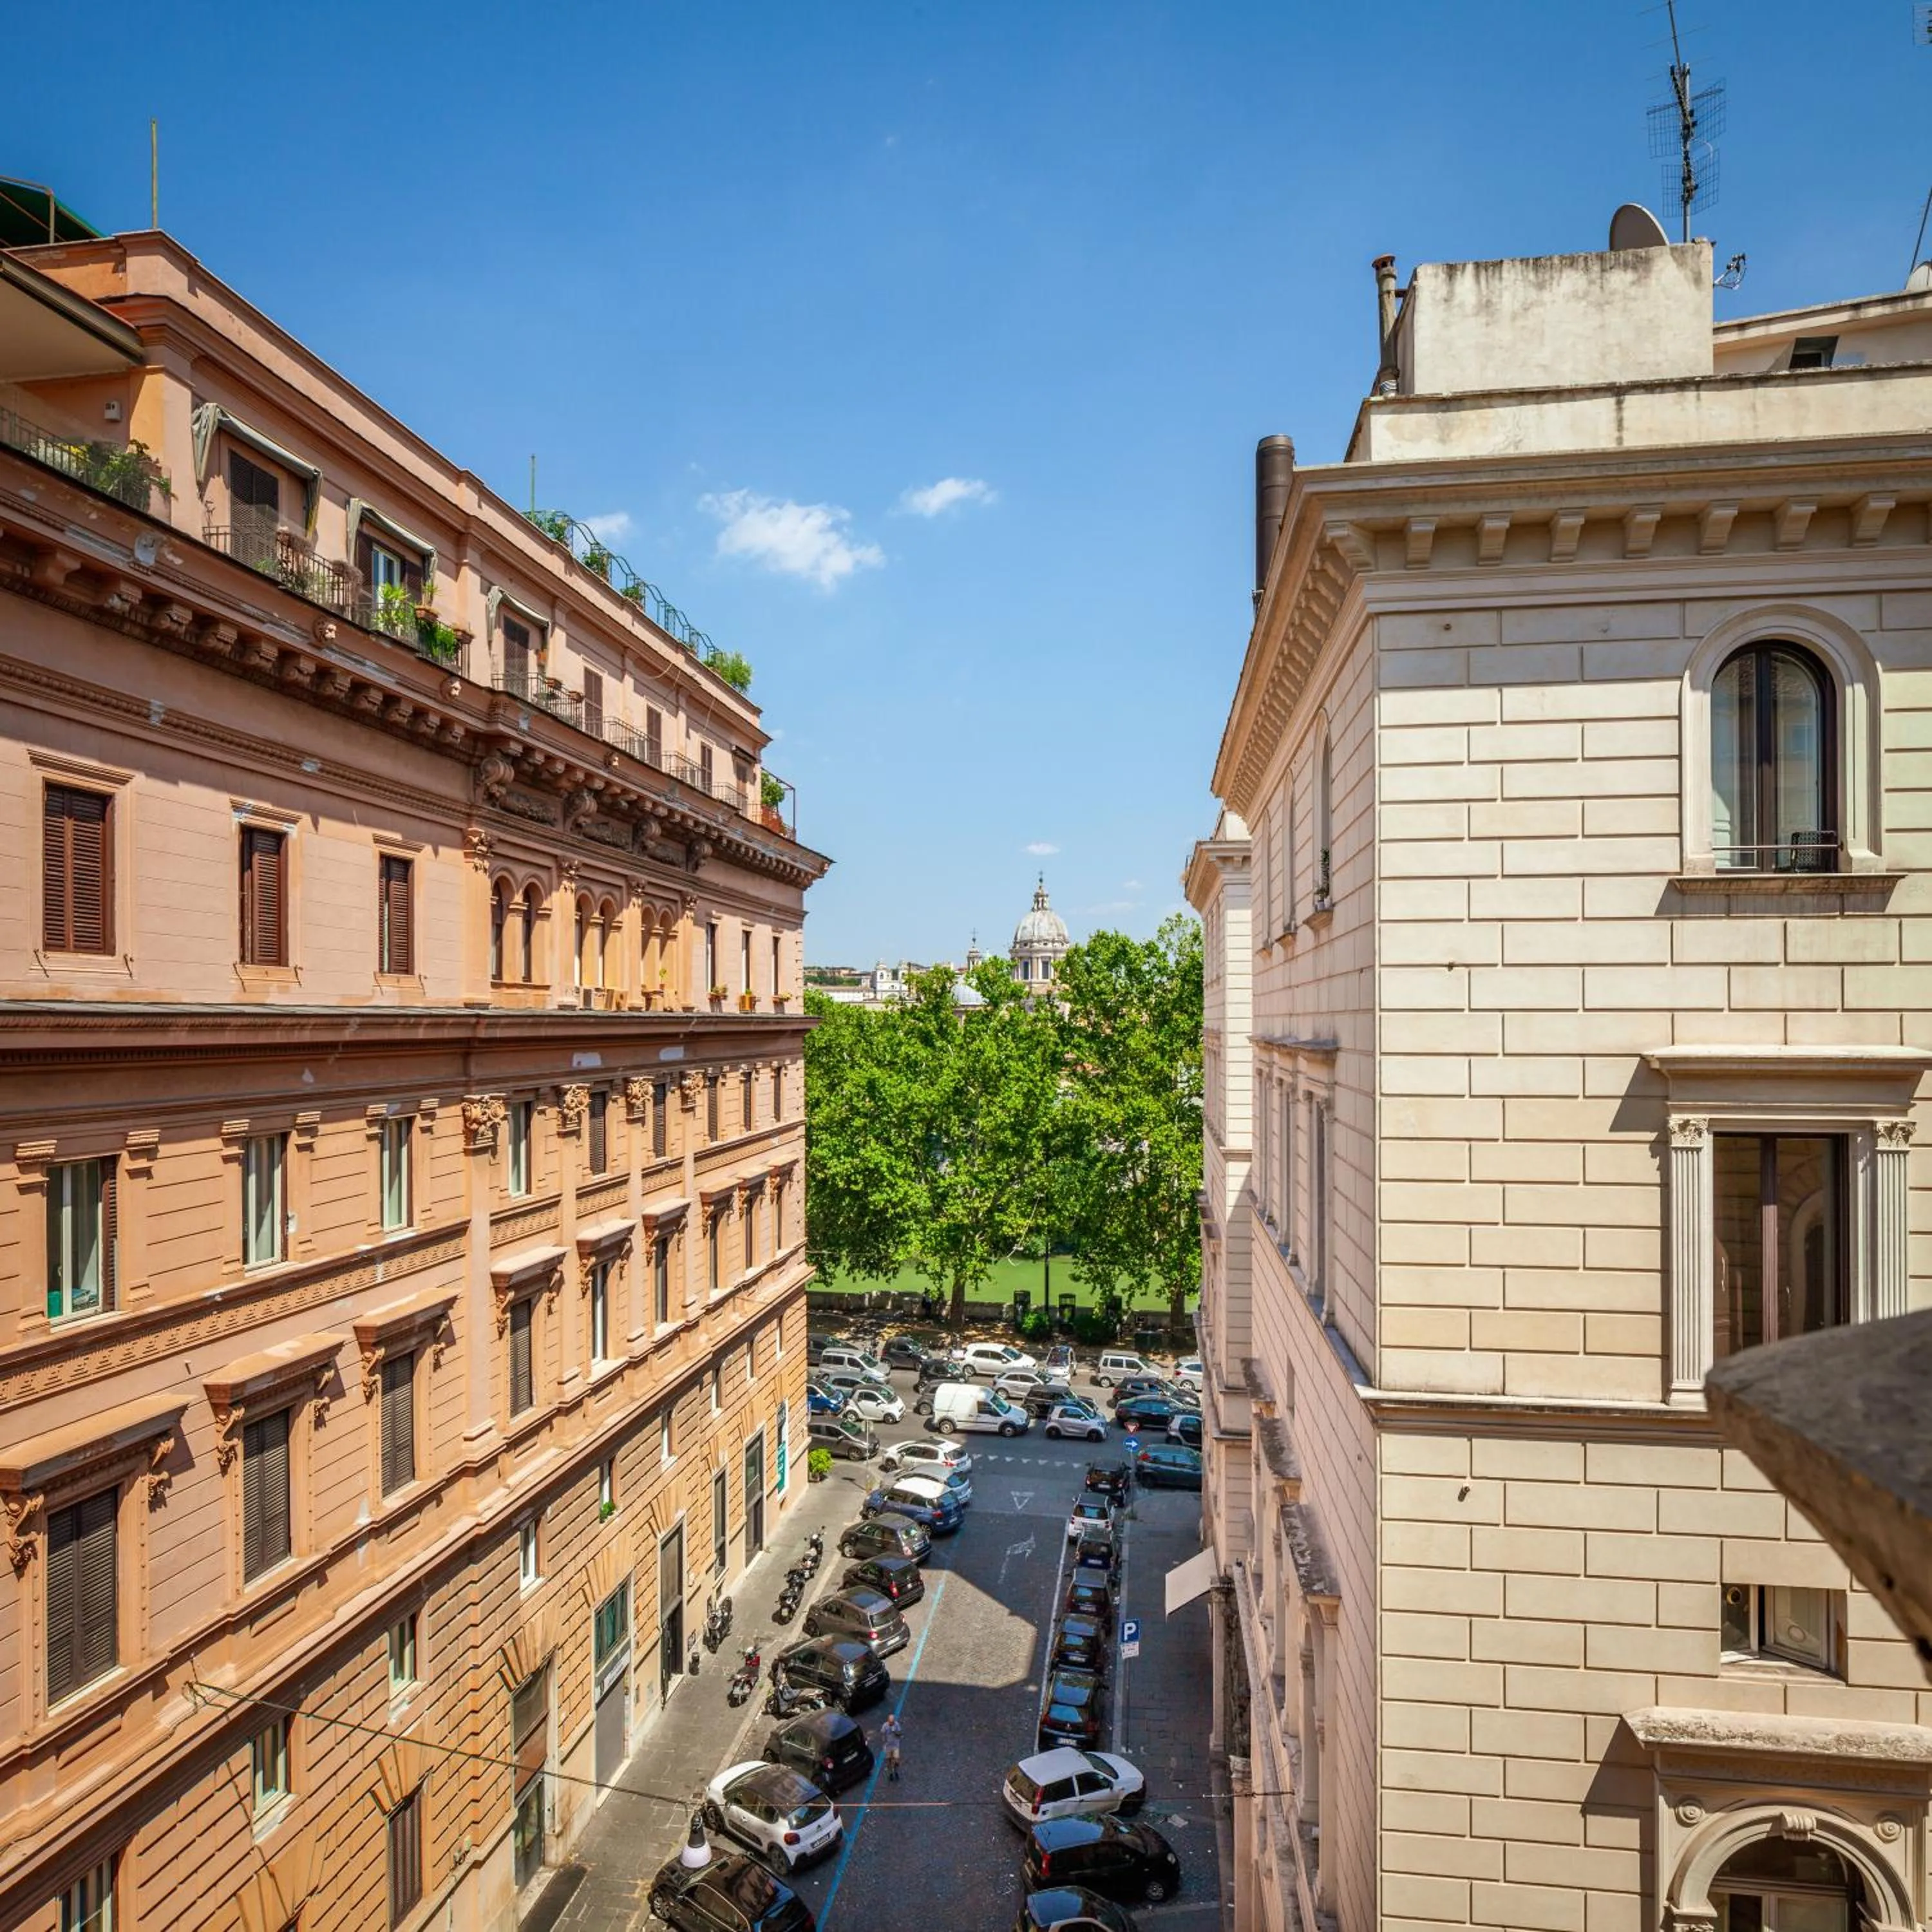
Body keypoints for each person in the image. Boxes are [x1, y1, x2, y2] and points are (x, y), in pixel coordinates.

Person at [881, 1710, 902, 1782]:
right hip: (888, 1746)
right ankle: (891, 1774)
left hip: (895, 1745)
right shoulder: (885, 1726)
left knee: (896, 1760)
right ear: (888, 1721)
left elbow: (900, 1734)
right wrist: (884, 1742)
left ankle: (896, 1772)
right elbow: (883, 1734)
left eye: (893, 1722)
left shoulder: (897, 1725)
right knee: (889, 1761)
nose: (892, 1724)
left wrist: (895, 1732)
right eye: (891, 1722)